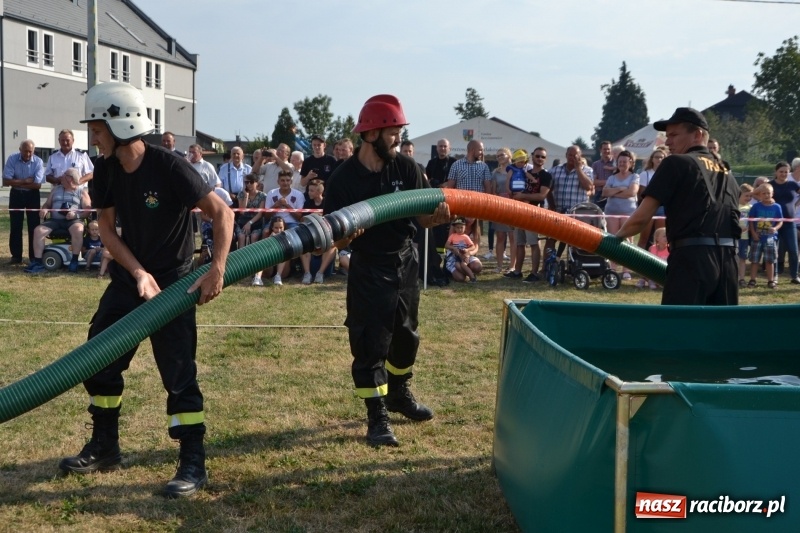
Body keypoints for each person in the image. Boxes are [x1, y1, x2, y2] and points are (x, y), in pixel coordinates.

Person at [57, 82, 234, 498]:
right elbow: (105, 228)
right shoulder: (106, 170)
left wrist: (217, 269)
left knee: (178, 374)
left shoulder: (169, 167)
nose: (92, 136)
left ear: (120, 123)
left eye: (96, 128)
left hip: (173, 285)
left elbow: (221, 213)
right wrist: (137, 272)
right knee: (98, 359)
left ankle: (193, 461)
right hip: (129, 281)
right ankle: (105, 447)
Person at [323, 94, 450, 447]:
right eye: (392, 132)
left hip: (405, 260)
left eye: (398, 132)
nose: (398, 139)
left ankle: (399, 393)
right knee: (370, 341)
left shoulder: (407, 169)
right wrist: (347, 234)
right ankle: (376, 414)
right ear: (370, 135)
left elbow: (423, 216)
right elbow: (333, 240)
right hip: (369, 266)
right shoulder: (343, 179)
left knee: (407, 335)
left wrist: (437, 217)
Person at [616, 107, 740, 305]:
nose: (667, 142)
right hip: (729, 264)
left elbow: (640, 219)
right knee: (721, 332)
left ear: (697, 135)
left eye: (674, 135)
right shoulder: (727, 173)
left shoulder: (676, 163)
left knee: (679, 330)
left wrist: (611, 243)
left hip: (691, 261)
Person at [26, 167, 92, 273]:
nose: (61, 177)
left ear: (70, 178)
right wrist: (45, 209)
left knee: (78, 229)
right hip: (55, 220)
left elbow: (88, 210)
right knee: (38, 230)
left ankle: (74, 261)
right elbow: (47, 204)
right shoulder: (56, 189)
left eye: (64, 175)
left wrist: (76, 215)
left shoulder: (82, 192)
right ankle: (37, 262)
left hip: (73, 220)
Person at [505, 147, 552, 281]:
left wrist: (523, 195)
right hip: (519, 211)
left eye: (543, 157)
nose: (540, 159)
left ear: (545, 159)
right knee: (519, 243)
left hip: (534, 213)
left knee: (533, 243)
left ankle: (534, 273)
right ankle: (517, 271)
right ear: (532, 157)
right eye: (537, 156)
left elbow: (542, 196)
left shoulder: (546, 175)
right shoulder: (525, 172)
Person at [445, 139, 494, 245]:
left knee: (475, 233)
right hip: (460, 206)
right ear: (472, 150)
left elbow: (488, 188)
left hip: (477, 206)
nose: (482, 152)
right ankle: (452, 254)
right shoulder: (456, 165)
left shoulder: (484, 166)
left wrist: (487, 206)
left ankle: (472, 255)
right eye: (480, 150)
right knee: (456, 230)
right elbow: (450, 188)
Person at [4, 140, 45, 264]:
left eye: (30, 151)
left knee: (34, 226)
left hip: (33, 195)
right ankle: (16, 256)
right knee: (15, 226)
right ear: (20, 149)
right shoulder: (12, 159)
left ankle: (34, 256)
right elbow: (6, 181)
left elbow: (37, 185)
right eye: (25, 151)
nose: (28, 154)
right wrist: (26, 181)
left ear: (34, 150)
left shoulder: (38, 161)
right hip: (16, 194)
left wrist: (16, 181)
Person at [602, 150, 639, 279]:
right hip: (611, 212)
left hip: (628, 213)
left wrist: (614, 192)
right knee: (613, 240)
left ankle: (626, 269)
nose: (622, 164)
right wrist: (619, 189)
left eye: (625, 161)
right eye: (620, 162)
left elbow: (632, 193)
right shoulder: (611, 178)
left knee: (628, 241)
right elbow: (605, 192)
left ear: (630, 163)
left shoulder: (634, 177)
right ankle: (613, 268)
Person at [769, 161, 800, 284]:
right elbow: (755, 193)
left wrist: (796, 204)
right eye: (781, 171)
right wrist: (766, 201)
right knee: (775, 250)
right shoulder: (770, 185)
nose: (783, 174)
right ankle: (774, 276)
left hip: (789, 223)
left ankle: (794, 275)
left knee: (793, 250)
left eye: (786, 172)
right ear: (776, 172)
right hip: (774, 223)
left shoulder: (793, 184)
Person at [748, 183, 782, 289]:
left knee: (770, 260)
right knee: (755, 260)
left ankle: (771, 281)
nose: (766, 195)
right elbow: (751, 221)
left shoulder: (777, 207)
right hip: (757, 237)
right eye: (764, 193)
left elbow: (780, 221)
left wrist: (775, 228)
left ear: (772, 193)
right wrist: (753, 233)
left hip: (770, 238)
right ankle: (752, 280)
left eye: (768, 193)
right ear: (760, 195)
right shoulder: (756, 206)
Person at [235, 174, 267, 285]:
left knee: (254, 237)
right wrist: (246, 197)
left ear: (256, 183)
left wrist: (251, 222)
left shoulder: (262, 195)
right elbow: (242, 211)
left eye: (250, 182)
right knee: (241, 237)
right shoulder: (241, 194)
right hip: (243, 221)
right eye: (246, 182)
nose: (248, 184)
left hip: (256, 222)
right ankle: (241, 267)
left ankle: (254, 267)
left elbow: (260, 212)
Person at [303, 179, 336, 283]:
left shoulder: (328, 203)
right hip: (311, 233)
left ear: (319, 192)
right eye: (309, 190)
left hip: (326, 233)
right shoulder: (307, 203)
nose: (309, 193)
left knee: (332, 246)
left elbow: (332, 219)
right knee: (303, 246)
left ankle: (320, 273)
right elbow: (303, 218)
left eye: (312, 191)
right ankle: (307, 273)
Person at [636, 148, 668, 249]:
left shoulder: (668, 174)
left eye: (661, 157)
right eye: (657, 157)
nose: (659, 159)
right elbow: (641, 193)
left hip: (662, 208)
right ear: (652, 159)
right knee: (644, 239)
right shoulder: (645, 174)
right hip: (648, 208)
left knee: (660, 238)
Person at [491, 148, 515, 272]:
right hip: (500, 205)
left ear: (509, 155)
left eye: (502, 155)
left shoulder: (516, 170)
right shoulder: (495, 172)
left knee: (513, 237)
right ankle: (499, 265)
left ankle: (512, 265)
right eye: (497, 156)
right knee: (500, 236)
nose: (499, 157)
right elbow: (493, 191)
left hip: (513, 205)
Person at [445, 217, 482, 282]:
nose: (470, 219)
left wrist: (468, 252)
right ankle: (469, 274)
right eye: (458, 227)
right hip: (455, 255)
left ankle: (472, 277)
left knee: (472, 266)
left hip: (466, 254)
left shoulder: (466, 236)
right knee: (460, 277)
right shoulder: (453, 233)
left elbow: (474, 246)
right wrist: (454, 249)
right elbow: (447, 245)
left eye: (472, 217)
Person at [736, 183, 754, 288]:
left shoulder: (751, 207)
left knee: (743, 259)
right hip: (735, 238)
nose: (749, 198)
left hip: (745, 238)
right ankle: (733, 277)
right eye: (746, 195)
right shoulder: (734, 205)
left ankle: (741, 279)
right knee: (734, 259)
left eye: (750, 196)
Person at [264, 216, 289, 285]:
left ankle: (278, 276)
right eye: (276, 228)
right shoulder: (268, 235)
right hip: (270, 267)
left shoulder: (288, 236)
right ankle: (257, 277)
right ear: (272, 228)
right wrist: (270, 240)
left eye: (281, 228)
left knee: (284, 252)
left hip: (283, 269)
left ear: (284, 227)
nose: (279, 231)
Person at [591, 140, 615, 207]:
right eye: (604, 149)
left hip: (612, 193)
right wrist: (609, 182)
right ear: (600, 150)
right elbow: (593, 181)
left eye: (608, 149)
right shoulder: (595, 164)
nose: (606, 151)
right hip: (599, 193)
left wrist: (601, 182)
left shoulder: (616, 164)